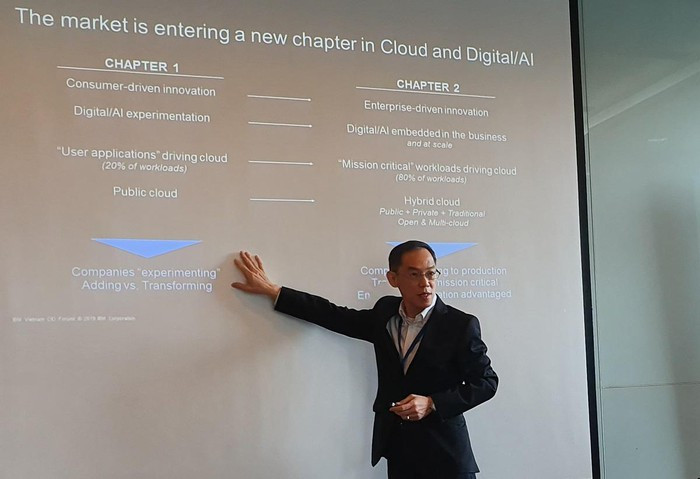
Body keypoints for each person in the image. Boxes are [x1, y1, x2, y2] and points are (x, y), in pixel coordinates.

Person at [231, 240, 498, 479]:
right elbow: (333, 315)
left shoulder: (460, 325)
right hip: (400, 451)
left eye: (430, 273)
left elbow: (487, 382)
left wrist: (432, 403)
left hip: (446, 456)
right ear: (393, 278)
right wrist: (274, 291)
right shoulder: (385, 312)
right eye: (414, 274)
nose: (425, 283)